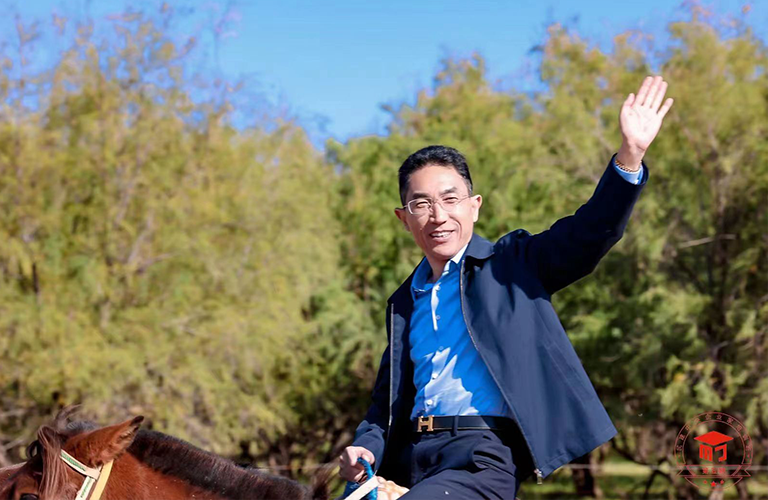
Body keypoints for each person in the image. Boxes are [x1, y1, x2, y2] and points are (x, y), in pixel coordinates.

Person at [339, 76, 673, 499]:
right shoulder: (405, 302)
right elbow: (384, 405)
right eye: (421, 204)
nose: (438, 215)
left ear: (474, 207)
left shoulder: (511, 265)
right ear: (404, 219)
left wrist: (630, 157)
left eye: (450, 199)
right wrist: (366, 448)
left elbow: (588, 234)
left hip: (482, 457)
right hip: (414, 460)